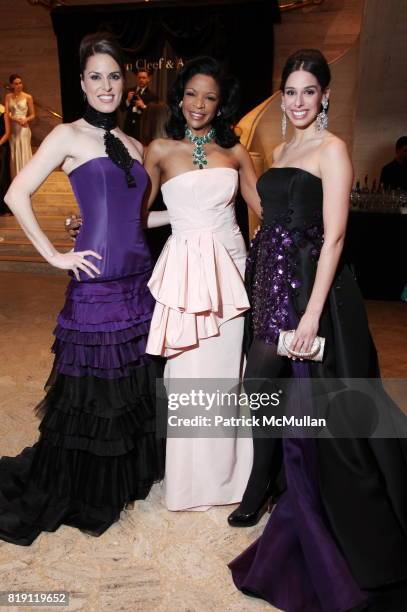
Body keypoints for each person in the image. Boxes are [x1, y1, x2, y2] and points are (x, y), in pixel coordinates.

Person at [228, 49, 407, 612]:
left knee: (313, 401)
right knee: (260, 387)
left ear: (325, 96)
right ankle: (268, 477)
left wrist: (309, 315)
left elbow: (332, 238)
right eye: (292, 91)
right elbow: (267, 217)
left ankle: (286, 483)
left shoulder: (334, 149)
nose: (300, 100)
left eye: (310, 91)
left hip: (314, 291)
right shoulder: (282, 148)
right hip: (273, 282)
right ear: (283, 97)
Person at [0, 33, 165, 546]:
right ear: (81, 83)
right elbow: (16, 191)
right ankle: (84, 483)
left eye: (114, 76)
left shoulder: (137, 146)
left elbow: (137, 218)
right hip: (94, 284)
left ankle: (121, 476)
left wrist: (193, 218)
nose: (106, 86)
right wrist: (54, 254)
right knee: (92, 392)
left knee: (128, 388)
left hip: (138, 283)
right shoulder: (67, 136)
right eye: (95, 76)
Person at [144, 56, 262, 511]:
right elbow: (140, 217)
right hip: (185, 272)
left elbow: (261, 208)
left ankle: (232, 480)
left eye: (210, 97)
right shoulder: (159, 149)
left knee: (227, 374)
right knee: (188, 374)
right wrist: (94, 227)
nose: (199, 104)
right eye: (192, 93)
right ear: (179, 96)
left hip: (231, 272)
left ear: (220, 103)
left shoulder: (235, 152)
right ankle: (189, 484)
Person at [5, 74, 35, 178]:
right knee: (14, 153)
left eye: (20, 83)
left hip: (23, 128)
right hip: (12, 129)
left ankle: (26, 178)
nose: (19, 85)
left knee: (24, 152)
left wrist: (25, 119)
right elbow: (6, 114)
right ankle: (15, 178)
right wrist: (14, 119)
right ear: (11, 85)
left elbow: (33, 115)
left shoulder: (28, 97)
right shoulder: (8, 97)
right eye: (16, 83)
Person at [123, 68, 158, 141]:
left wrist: (144, 106)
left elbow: (154, 115)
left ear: (148, 79)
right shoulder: (128, 91)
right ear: (136, 78)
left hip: (142, 129)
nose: (141, 80)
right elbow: (121, 109)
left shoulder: (153, 96)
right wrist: (128, 101)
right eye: (139, 77)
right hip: (128, 128)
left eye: (144, 78)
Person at [0, 101, 11, 215]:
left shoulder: (4, 113)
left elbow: (7, 133)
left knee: (2, 177)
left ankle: (3, 208)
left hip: (2, 148)